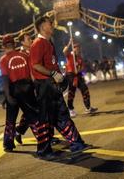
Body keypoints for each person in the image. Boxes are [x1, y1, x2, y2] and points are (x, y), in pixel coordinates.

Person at [30, 16, 88, 158]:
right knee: (46, 119)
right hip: (44, 86)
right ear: (43, 27)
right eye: (50, 24)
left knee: (61, 114)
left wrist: (59, 78)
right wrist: (53, 74)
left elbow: (51, 63)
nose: (52, 25)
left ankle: (76, 142)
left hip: (52, 84)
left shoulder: (48, 43)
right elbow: (35, 65)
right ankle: (43, 151)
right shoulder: (38, 43)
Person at [0, 35, 42, 152]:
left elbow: (5, 79)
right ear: (14, 44)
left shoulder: (3, 60)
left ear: (3, 46)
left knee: (10, 119)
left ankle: (8, 144)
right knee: (33, 116)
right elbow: (32, 75)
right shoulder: (25, 56)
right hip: (27, 88)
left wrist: (7, 96)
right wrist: (35, 89)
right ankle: (42, 141)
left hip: (13, 89)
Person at [63, 39, 97, 117]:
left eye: (78, 48)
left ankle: (88, 107)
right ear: (73, 49)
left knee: (85, 90)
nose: (78, 49)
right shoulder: (70, 56)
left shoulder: (80, 58)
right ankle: (70, 109)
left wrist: (79, 70)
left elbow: (82, 68)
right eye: (75, 48)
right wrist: (69, 43)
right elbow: (64, 51)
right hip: (71, 76)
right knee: (71, 92)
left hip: (78, 75)